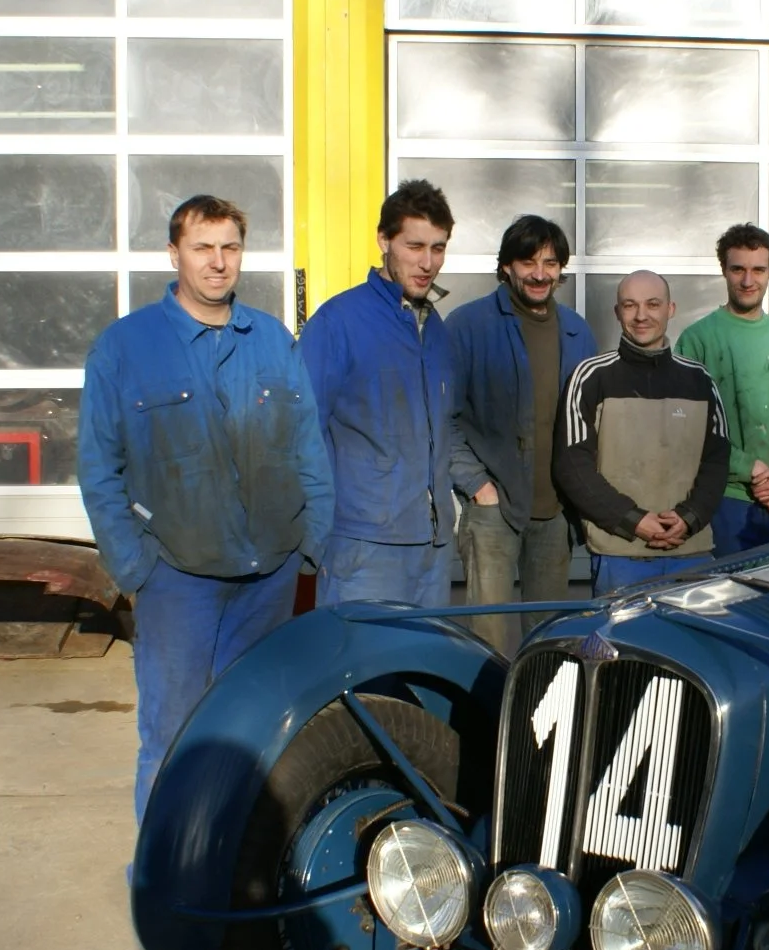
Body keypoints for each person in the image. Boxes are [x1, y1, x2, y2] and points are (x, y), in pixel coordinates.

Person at [77, 195, 333, 824]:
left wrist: (310, 544)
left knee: (252, 735)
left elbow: (310, 449)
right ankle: (163, 874)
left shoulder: (272, 341)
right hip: (176, 579)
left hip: (267, 576)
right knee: (172, 740)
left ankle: (230, 866)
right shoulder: (126, 347)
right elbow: (98, 467)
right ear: (175, 254)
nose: (218, 262)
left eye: (230, 248)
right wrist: (134, 568)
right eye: (202, 248)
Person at [298, 179, 458, 608]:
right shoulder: (337, 323)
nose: (427, 262)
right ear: (383, 240)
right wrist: (315, 538)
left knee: (427, 653)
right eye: (414, 246)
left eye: (438, 248)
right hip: (363, 548)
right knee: (361, 654)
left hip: (434, 545)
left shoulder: (436, 330)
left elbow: (446, 429)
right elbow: (300, 435)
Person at [447, 215, 597, 652]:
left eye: (550, 263)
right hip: (493, 509)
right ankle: (486, 701)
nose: (539, 274)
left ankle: (540, 702)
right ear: (506, 266)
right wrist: (478, 486)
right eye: (528, 262)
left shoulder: (577, 331)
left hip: (555, 512)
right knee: (488, 638)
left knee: (548, 641)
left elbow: (590, 421)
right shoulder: (468, 325)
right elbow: (442, 416)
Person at [554, 270, 730, 593]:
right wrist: (633, 520)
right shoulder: (590, 377)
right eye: (630, 305)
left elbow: (717, 461)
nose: (641, 315)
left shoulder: (700, 380)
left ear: (670, 309)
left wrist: (689, 517)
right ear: (617, 312)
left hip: (690, 552)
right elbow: (572, 465)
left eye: (652, 304)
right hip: (619, 554)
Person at [674, 223, 769, 557]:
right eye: (738, 269)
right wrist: (751, 469)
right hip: (724, 503)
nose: (748, 281)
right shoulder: (697, 340)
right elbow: (688, 427)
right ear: (723, 270)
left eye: (758, 270)